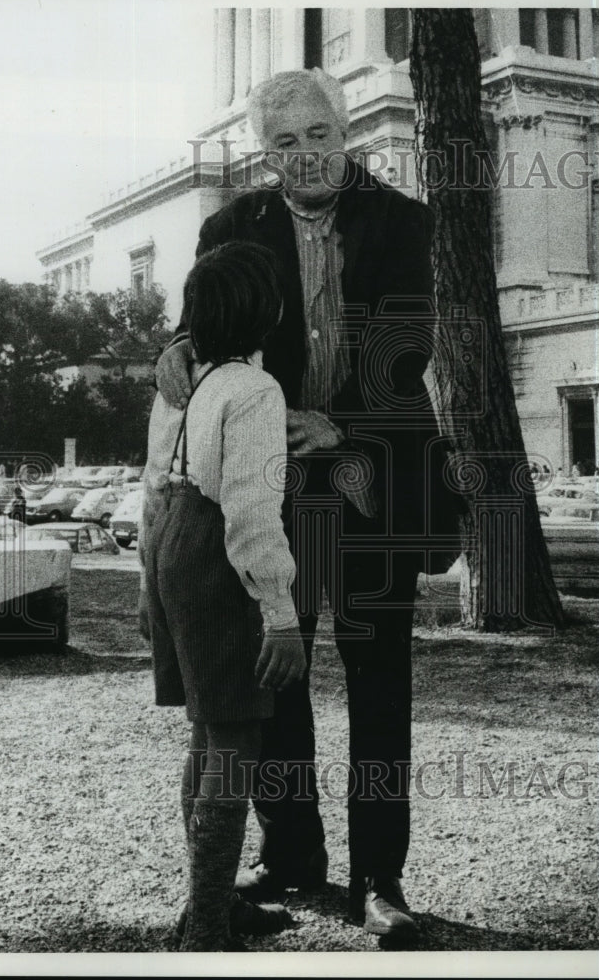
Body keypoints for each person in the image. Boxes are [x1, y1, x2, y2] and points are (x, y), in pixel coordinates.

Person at [155, 69, 460, 940]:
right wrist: (174, 353)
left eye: (318, 135)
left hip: (373, 479)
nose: (306, 156)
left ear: (346, 128)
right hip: (273, 491)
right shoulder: (230, 226)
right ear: (265, 152)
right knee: (275, 684)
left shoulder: (405, 222)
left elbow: (411, 347)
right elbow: (202, 328)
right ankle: (293, 857)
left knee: (380, 686)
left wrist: (340, 425)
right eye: (284, 143)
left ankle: (379, 878)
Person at [142, 241, 305, 952]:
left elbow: (152, 487)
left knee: (207, 735)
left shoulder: (179, 386)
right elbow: (249, 511)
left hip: (172, 544)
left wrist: (151, 588)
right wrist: (281, 615)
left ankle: (206, 903)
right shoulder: (254, 391)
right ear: (264, 310)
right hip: (215, 555)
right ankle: (208, 920)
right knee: (233, 742)